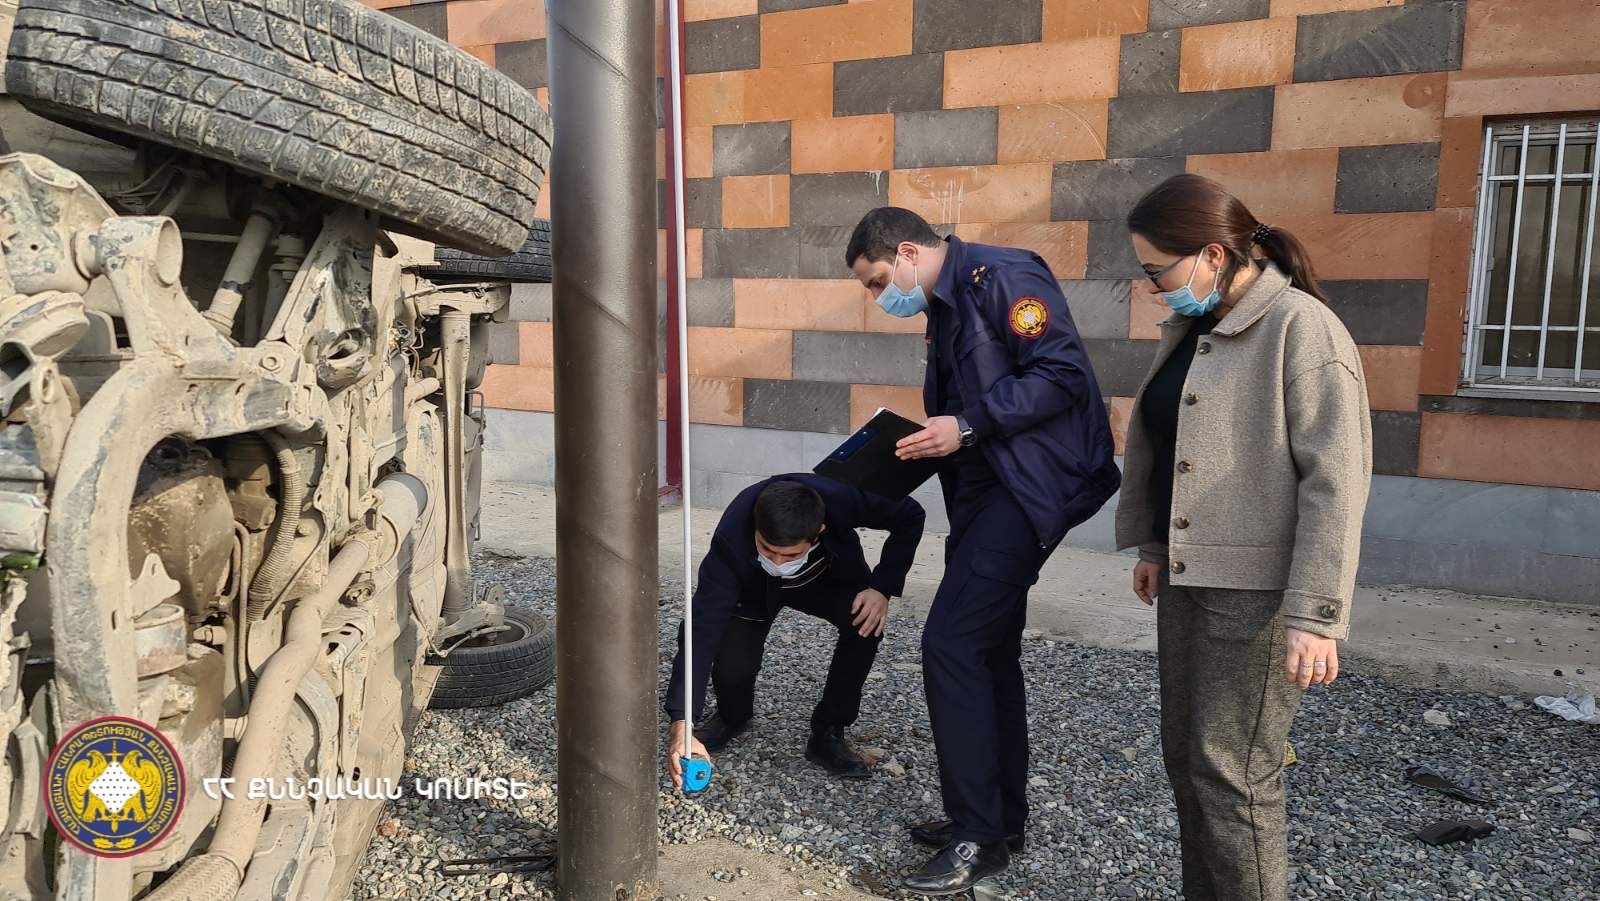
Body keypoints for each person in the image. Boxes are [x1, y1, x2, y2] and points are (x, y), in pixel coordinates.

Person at [845, 207, 1121, 894]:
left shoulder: (1002, 276)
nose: (879, 297)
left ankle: (975, 834)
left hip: (1026, 492)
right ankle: (1000, 822)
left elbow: (1062, 373)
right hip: (984, 496)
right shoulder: (945, 305)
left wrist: (966, 425)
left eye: (878, 281)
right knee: (990, 650)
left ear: (908, 252)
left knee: (951, 643)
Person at [1117, 174, 1372, 901]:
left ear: (1211, 254)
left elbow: (1337, 481)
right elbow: (1178, 447)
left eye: (1156, 271)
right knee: (1187, 759)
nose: (1153, 288)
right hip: (1187, 576)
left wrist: (1315, 614)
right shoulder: (1195, 329)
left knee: (1235, 775)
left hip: (1256, 594)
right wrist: (1155, 547)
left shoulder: (1301, 328)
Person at [664, 474, 924, 789]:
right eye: (767, 549)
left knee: (865, 624)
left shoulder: (842, 498)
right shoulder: (731, 539)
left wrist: (882, 587)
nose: (777, 561)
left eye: (790, 555)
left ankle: (828, 732)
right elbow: (701, 631)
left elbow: (911, 515)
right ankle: (733, 717)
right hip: (753, 590)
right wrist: (682, 722)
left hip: (825, 580)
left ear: (819, 532)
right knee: (733, 666)